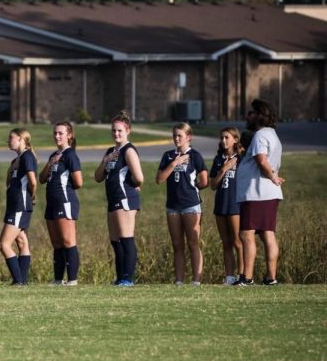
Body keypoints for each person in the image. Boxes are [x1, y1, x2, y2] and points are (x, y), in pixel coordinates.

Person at [235, 99, 284, 286]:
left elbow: (262, 160)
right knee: (267, 234)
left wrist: (271, 176)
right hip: (269, 193)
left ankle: (246, 278)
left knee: (247, 234)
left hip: (256, 193)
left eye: (251, 112)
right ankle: (271, 277)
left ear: (259, 115)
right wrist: (274, 177)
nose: (248, 116)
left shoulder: (260, 136)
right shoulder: (273, 134)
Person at [94, 112, 144, 286]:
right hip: (113, 199)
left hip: (125, 198)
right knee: (115, 241)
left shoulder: (128, 151)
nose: (116, 134)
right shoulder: (111, 152)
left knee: (126, 238)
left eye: (119, 131)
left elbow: (139, 177)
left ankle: (128, 278)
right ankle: (120, 277)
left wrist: (131, 184)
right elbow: (98, 177)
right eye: (114, 131)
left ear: (128, 131)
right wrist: (106, 160)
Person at [156, 122, 208, 285]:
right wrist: (174, 164)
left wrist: (192, 189)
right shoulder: (168, 156)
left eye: (180, 135)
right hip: (172, 205)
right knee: (177, 244)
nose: (176, 138)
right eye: (174, 135)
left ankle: (196, 279)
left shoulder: (195, 156)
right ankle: (179, 280)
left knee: (193, 242)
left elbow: (204, 180)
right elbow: (159, 179)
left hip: (190, 204)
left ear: (189, 137)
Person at [40, 120, 83, 285]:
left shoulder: (70, 154)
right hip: (51, 202)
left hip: (64, 201)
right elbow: (42, 178)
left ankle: (72, 280)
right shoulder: (54, 155)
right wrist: (50, 164)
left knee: (68, 241)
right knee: (57, 243)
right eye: (55, 133)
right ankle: (58, 279)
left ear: (69, 135)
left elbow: (78, 182)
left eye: (60, 133)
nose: (57, 136)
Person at [0, 128, 37, 286]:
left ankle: (19, 280)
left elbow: (32, 181)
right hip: (14, 205)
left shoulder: (27, 156)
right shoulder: (17, 160)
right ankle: (22, 281)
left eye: (11, 138)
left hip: (20, 206)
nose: (8, 140)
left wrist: (31, 196)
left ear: (21, 139)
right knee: (22, 242)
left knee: (3, 244)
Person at [209, 127, 244, 286]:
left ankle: (242, 275)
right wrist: (223, 169)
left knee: (238, 241)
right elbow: (213, 185)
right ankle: (229, 276)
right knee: (226, 242)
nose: (223, 140)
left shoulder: (241, 158)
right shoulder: (218, 159)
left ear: (235, 139)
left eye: (227, 137)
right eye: (222, 137)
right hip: (221, 204)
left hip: (235, 204)